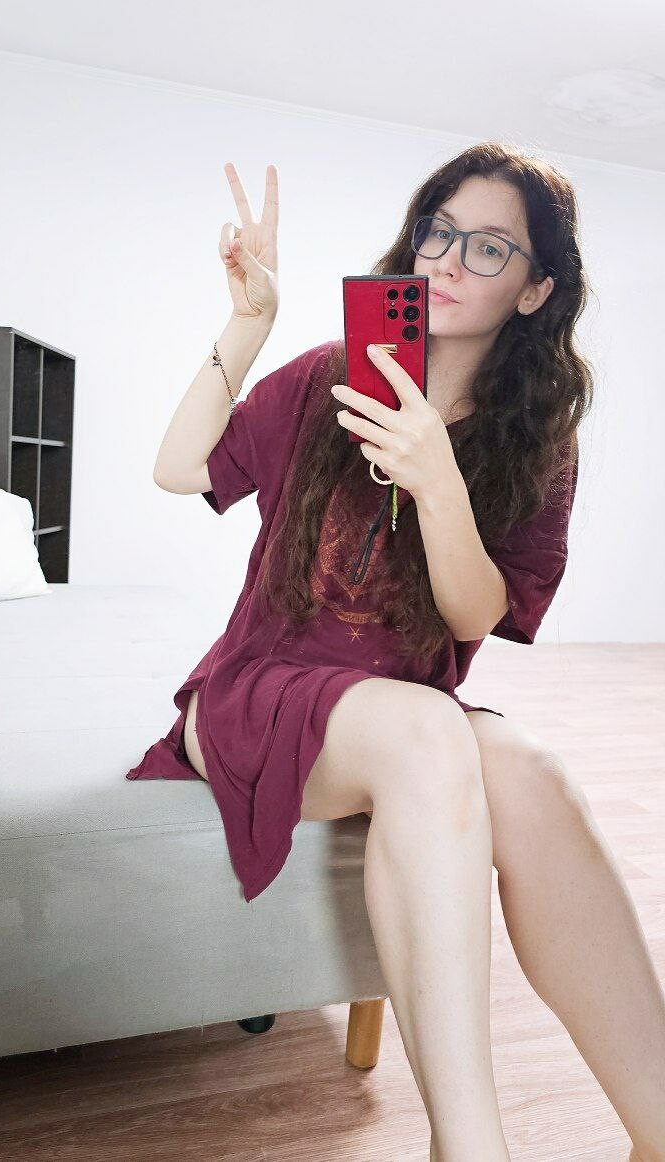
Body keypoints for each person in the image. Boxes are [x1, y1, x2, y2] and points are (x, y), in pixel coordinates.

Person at [126, 145, 665, 1162]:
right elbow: (178, 467)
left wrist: (438, 481)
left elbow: (473, 617)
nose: (450, 259)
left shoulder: (535, 439)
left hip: (402, 714)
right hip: (255, 692)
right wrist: (250, 322)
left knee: (533, 773)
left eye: (490, 246)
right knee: (427, 732)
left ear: (535, 289)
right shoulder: (329, 375)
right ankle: (470, 1149)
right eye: (439, 231)